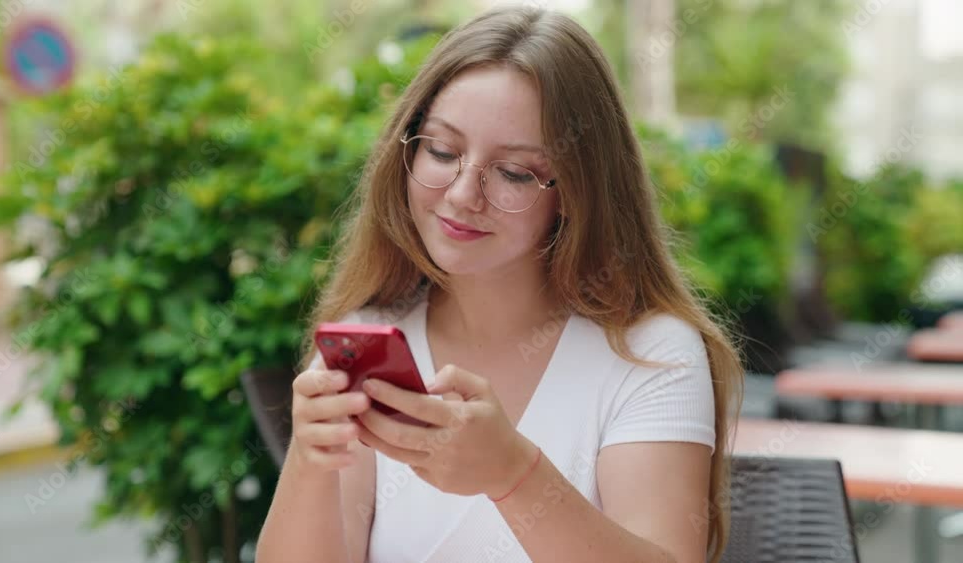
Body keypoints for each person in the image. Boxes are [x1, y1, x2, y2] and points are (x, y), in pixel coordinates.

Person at [257, 5, 743, 563]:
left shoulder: (650, 355)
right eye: (442, 151)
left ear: (575, 194)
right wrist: (310, 463)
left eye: (514, 172)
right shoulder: (371, 340)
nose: (464, 194)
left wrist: (513, 474)